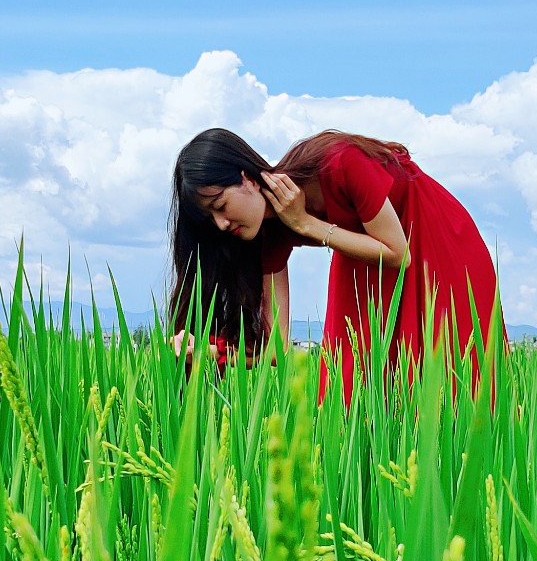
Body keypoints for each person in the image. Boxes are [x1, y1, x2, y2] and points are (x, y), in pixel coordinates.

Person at [168, 128, 499, 399]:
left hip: (431, 239)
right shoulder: (266, 236)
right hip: (360, 252)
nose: (222, 224)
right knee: (348, 387)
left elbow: (399, 253)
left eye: (221, 205)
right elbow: (277, 349)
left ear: (248, 178)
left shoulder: (338, 162)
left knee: (449, 381)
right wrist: (214, 352)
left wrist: (306, 224)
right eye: (211, 218)